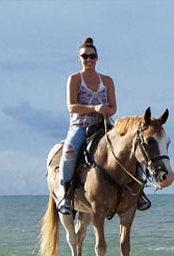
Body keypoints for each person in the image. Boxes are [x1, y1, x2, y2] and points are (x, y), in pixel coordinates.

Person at [58, 37, 118, 215]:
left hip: (103, 125)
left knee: (130, 145)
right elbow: (72, 106)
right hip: (80, 126)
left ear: (97, 58)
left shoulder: (107, 81)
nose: (89, 59)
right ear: (79, 58)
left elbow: (114, 107)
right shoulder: (75, 79)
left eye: (92, 56)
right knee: (69, 151)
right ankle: (66, 194)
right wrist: (95, 108)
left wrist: (107, 111)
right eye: (85, 56)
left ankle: (137, 192)